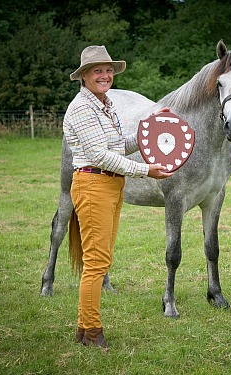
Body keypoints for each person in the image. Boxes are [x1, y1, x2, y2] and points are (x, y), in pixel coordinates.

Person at [64, 45, 173, 348]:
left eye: (108, 69)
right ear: (84, 76)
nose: (105, 75)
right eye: (98, 70)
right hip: (93, 184)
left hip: (110, 186)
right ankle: (92, 331)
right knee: (97, 262)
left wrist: (153, 129)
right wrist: (145, 170)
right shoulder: (83, 108)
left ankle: (84, 328)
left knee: (100, 259)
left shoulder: (105, 104)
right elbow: (100, 155)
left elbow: (118, 145)